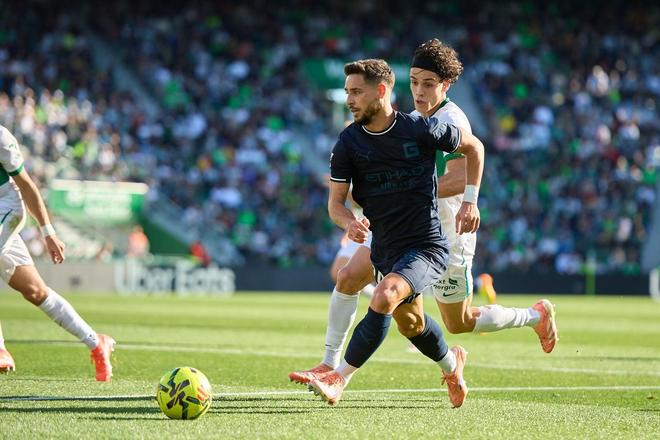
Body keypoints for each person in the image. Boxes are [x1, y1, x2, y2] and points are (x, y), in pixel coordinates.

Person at [290, 40, 558, 395]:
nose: (418, 91)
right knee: (354, 279)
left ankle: (535, 316)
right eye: (414, 81)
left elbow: (460, 176)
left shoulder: (450, 120)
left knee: (458, 322)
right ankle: (329, 366)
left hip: (445, 232)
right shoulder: (411, 121)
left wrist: (464, 201)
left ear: (445, 85)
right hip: (400, 228)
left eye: (428, 83)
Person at [306, 58, 485, 407]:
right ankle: (452, 365)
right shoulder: (347, 143)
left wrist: (470, 202)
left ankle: (337, 376)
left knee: (385, 295)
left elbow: (474, 147)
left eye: (356, 92)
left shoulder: (420, 128)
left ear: (381, 91)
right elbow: (335, 204)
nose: (350, 100)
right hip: (384, 246)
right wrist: (349, 223)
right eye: (347, 92)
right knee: (411, 324)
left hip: (426, 246)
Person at [0, 125, 115, 381]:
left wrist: (48, 231)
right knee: (35, 291)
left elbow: (27, 186)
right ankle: (96, 342)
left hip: (6, 206)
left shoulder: (1, 137)